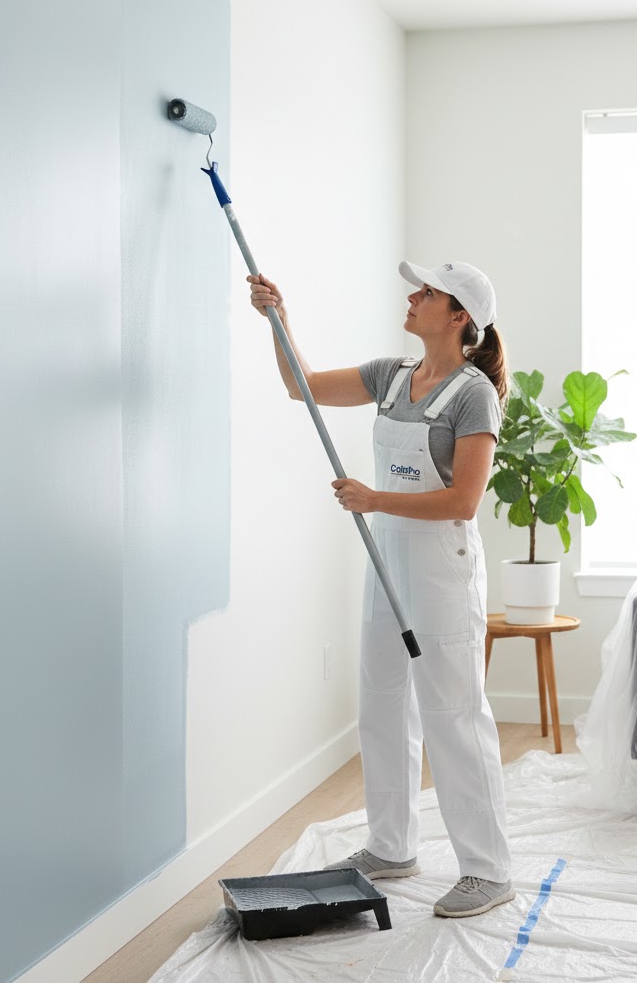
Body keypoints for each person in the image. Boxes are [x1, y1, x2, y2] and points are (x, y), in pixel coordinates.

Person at [248, 260, 514, 918]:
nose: (412, 296)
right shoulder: (392, 376)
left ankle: (488, 868)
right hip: (387, 557)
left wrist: (374, 498)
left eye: (426, 292)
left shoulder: (472, 393)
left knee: (454, 714)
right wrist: (277, 319)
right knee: (384, 703)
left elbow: (463, 501)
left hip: (441, 570)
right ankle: (392, 845)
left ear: (458, 317)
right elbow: (302, 389)